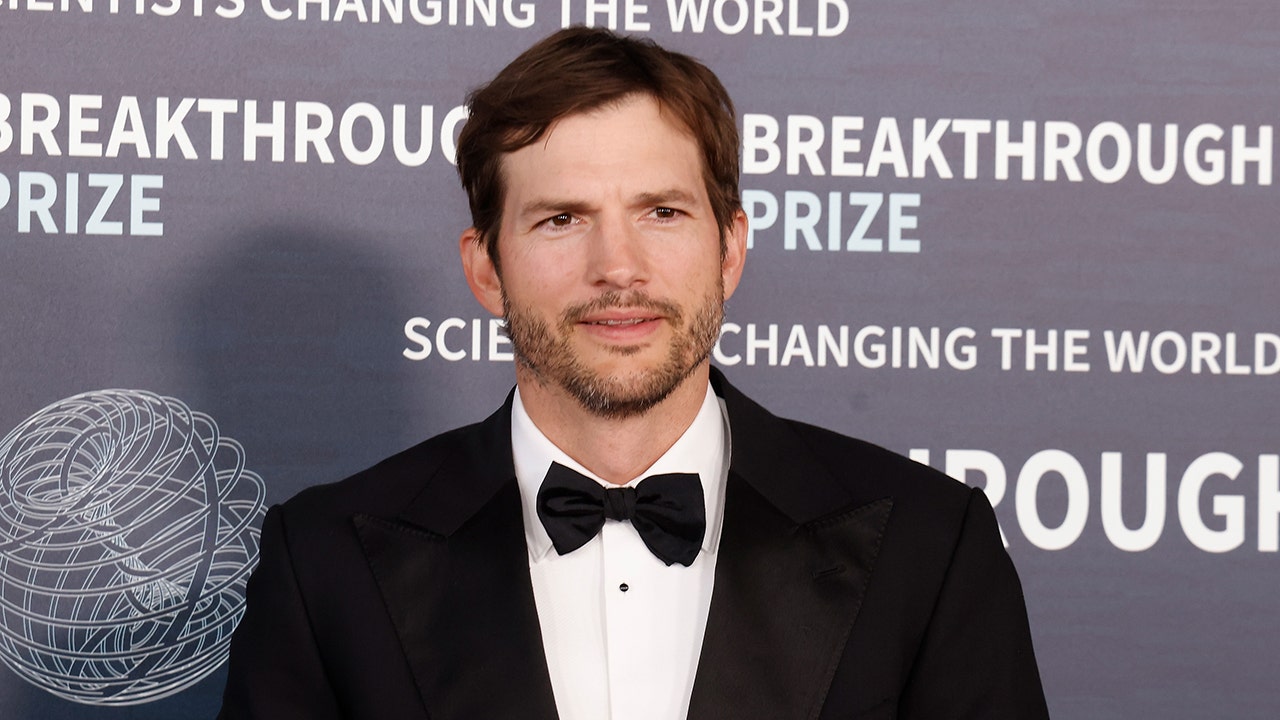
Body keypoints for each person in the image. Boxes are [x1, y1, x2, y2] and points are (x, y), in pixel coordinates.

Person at [219, 27, 1050, 720]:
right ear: (486, 271)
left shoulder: (930, 547)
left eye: (662, 212)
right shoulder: (325, 563)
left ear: (729, 250)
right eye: (561, 219)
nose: (618, 267)